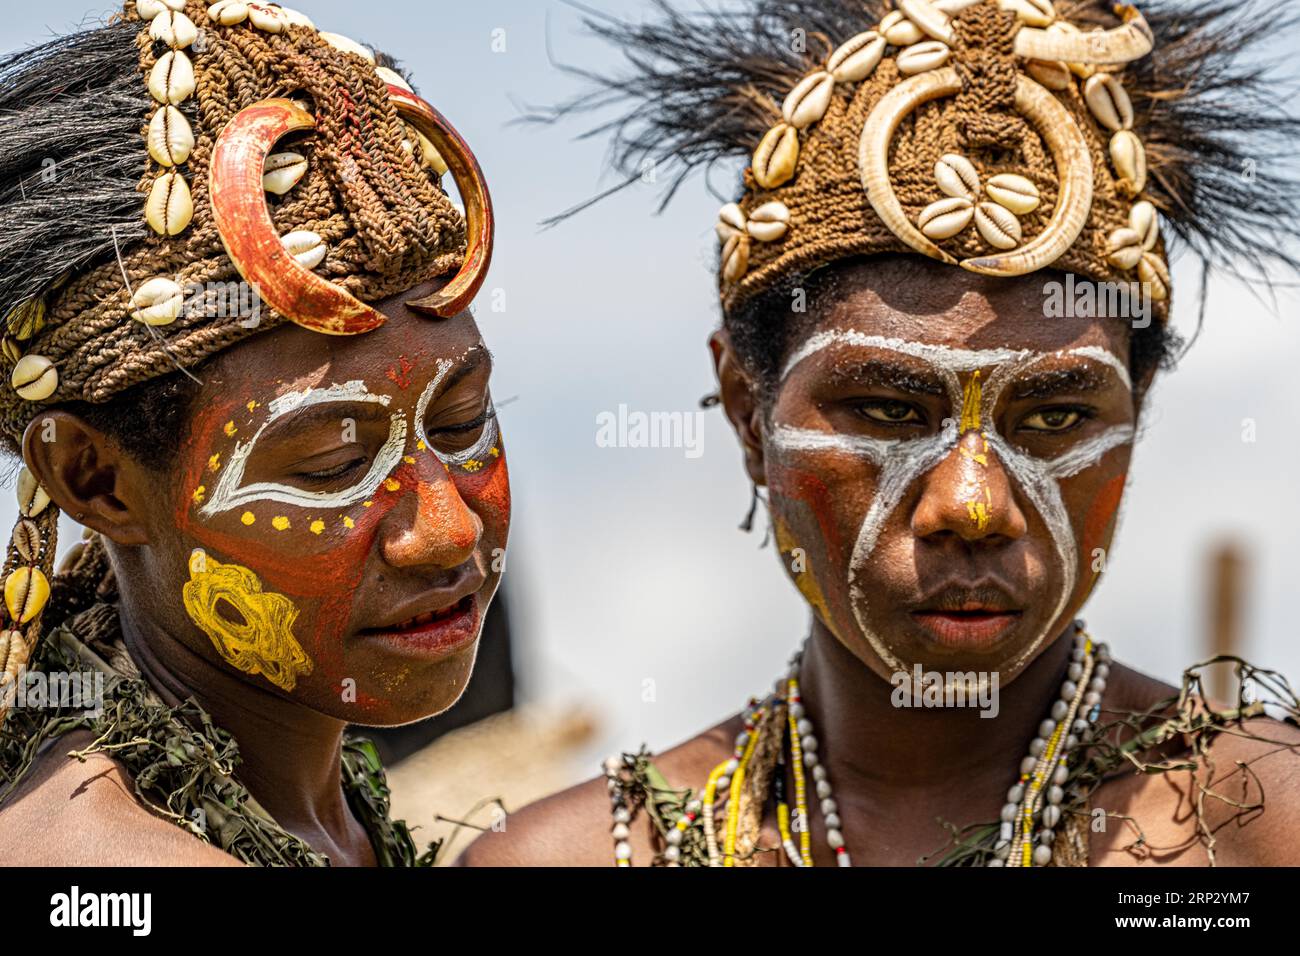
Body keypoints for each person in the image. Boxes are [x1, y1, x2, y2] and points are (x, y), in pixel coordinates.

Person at [463, 0, 1300, 866]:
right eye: (890, 412)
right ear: (749, 413)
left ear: (1138, 410)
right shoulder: (578, 856)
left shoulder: (1254, 833)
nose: (972, 508)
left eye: (1055, 417)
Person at [0, 0, 507, 866]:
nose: (447, 531)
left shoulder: (311, 812)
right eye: (333, 462)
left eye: (462, 421)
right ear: (95, 480)